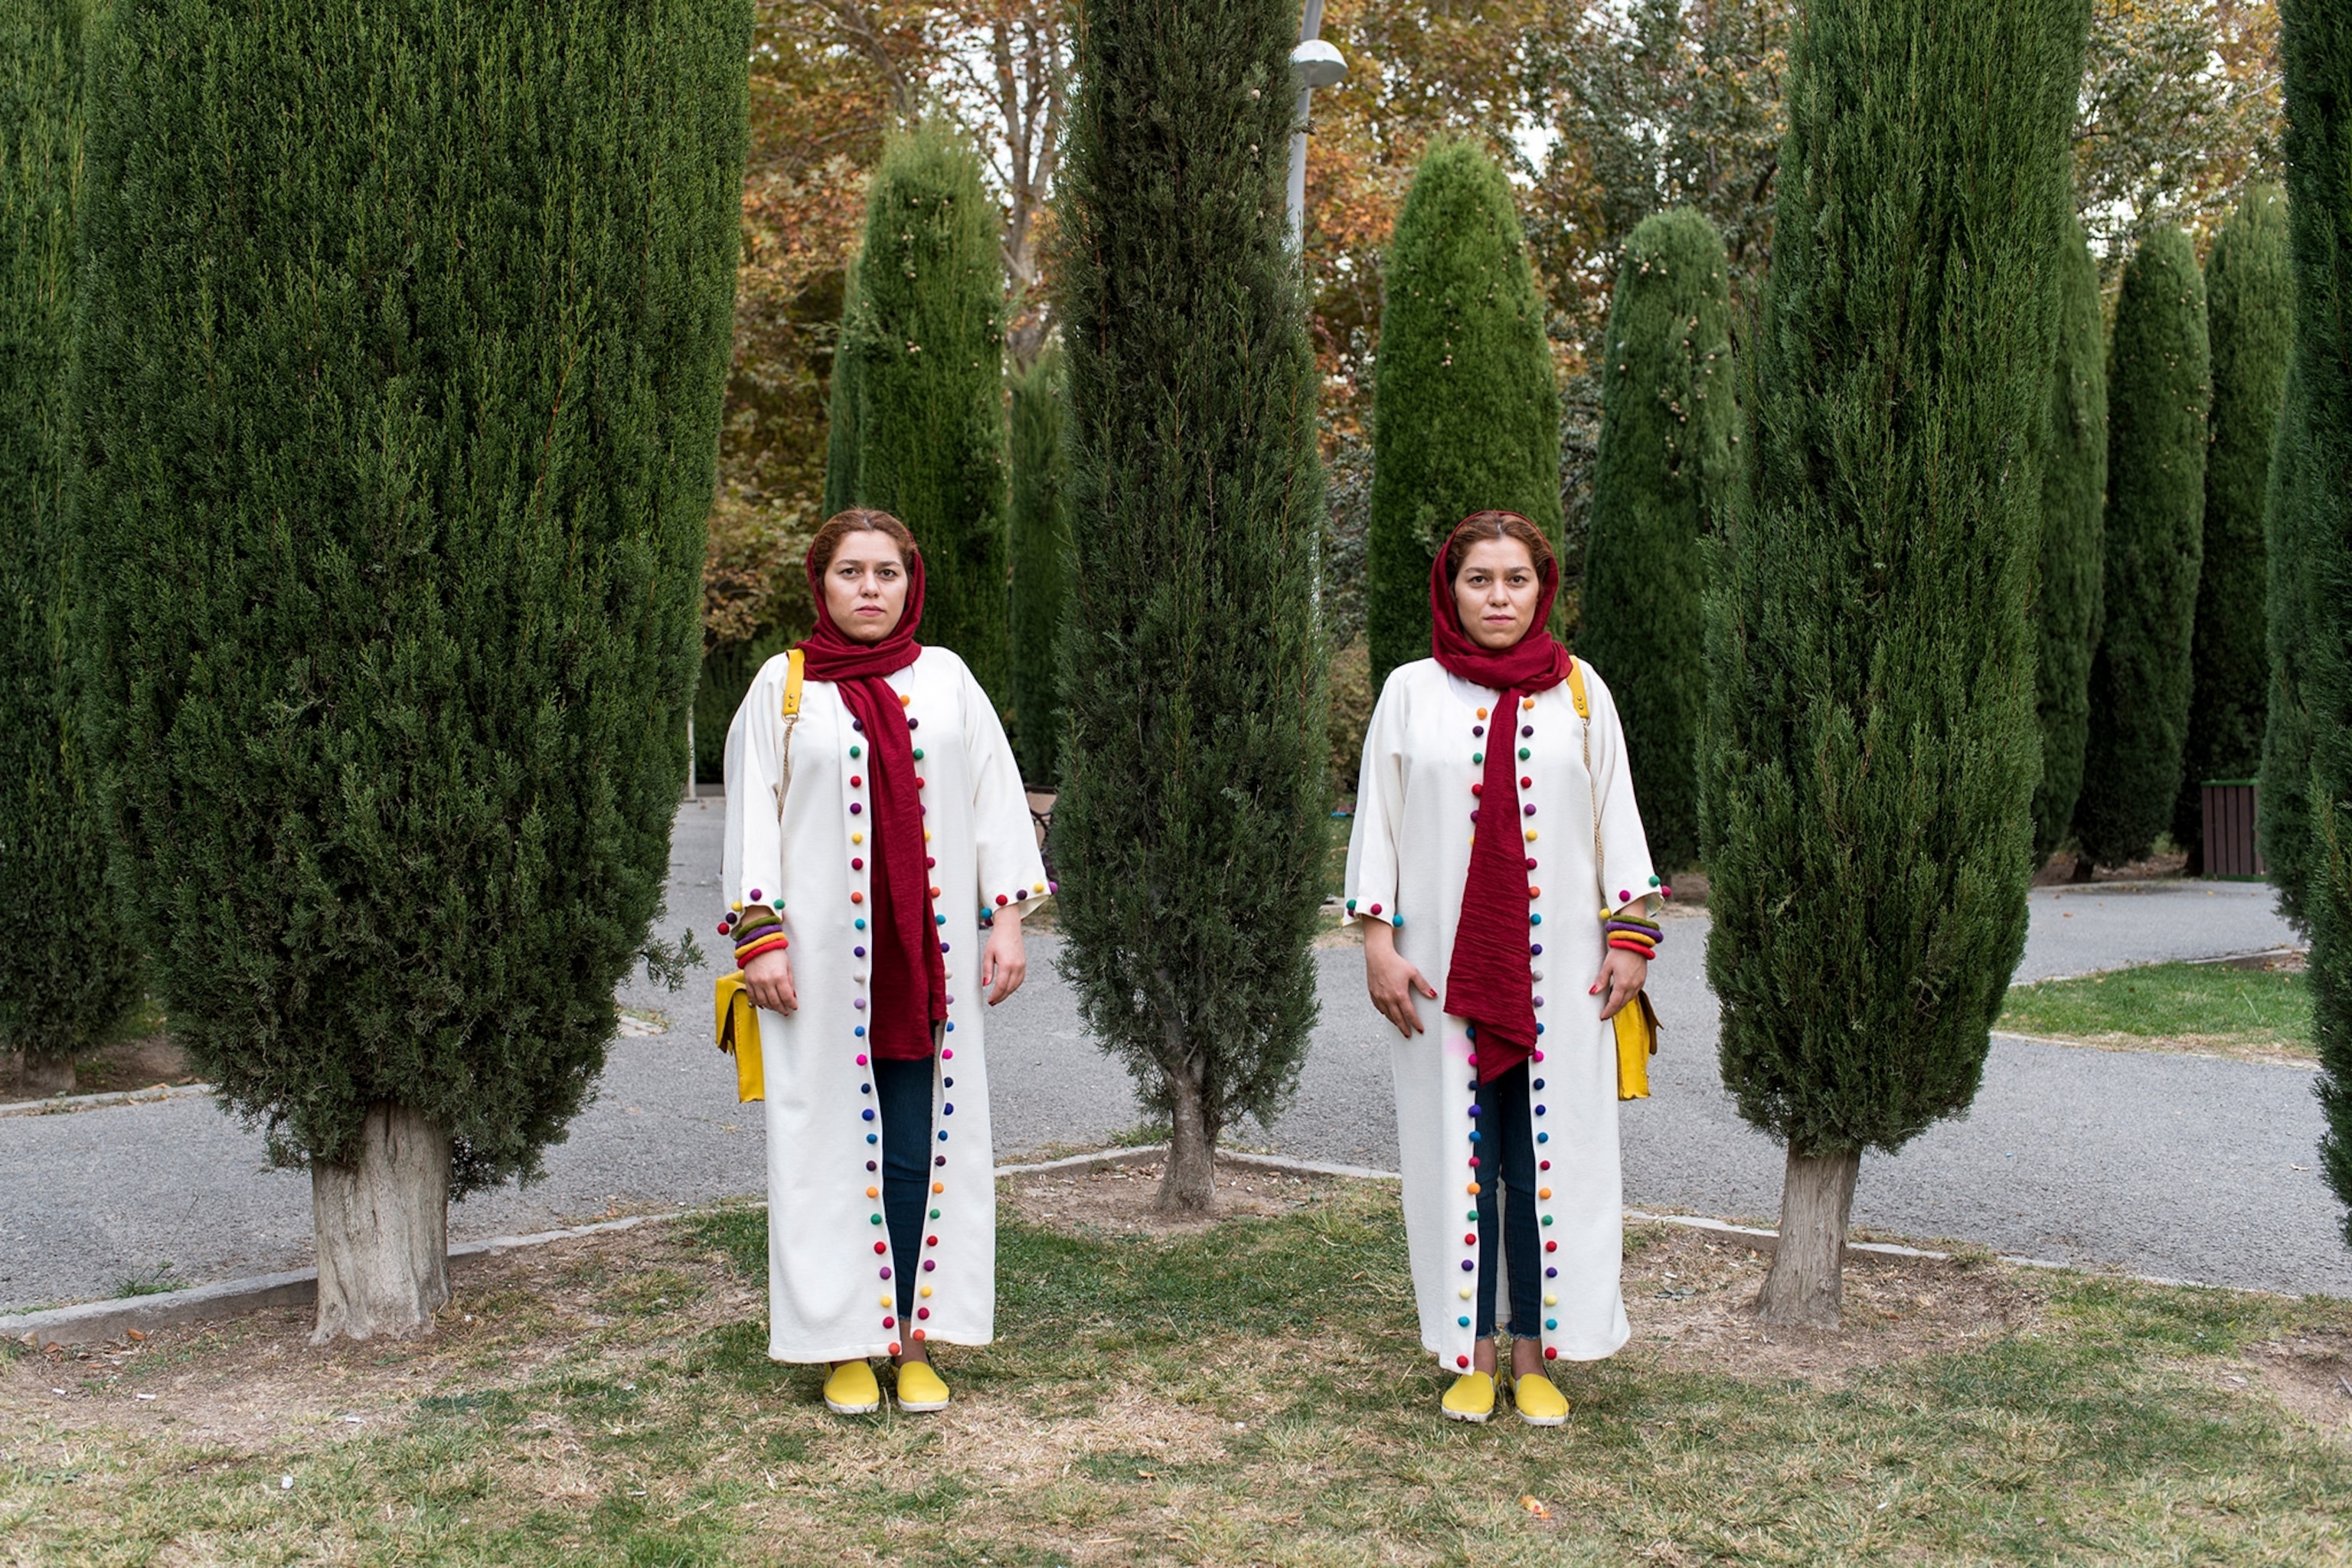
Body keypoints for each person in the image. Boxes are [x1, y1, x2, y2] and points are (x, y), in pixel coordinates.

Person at [720, 508, 1051, 1416]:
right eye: (851, 572)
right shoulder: (782, 688)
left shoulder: (946, 680)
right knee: (825, 1148)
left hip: (928, 962)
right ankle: (845, 1343)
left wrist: (1006, 921)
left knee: (920, 1150)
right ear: (819, 584)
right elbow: (753, 811)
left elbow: (995, 801)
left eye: (888, 572)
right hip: (819, 968)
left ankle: (912, 1338)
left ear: (912, 581)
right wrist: (762, 935)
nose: (871, 588)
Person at [1344, 509, 1664, 1426]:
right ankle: (1470, 1352)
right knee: (1462, 1156)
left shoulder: (1582, 692)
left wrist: (1630, 938)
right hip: (1443, 979)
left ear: (1542, 586)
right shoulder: (1410, 691)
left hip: (1563, 979)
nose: (1498, 596)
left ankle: (1536, 1354)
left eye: (1515, 579)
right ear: (1451, 589)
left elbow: (1619, 819)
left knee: (1542, 1161)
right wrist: (1378, 944)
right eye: (1479, 579)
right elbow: (1382, 826)